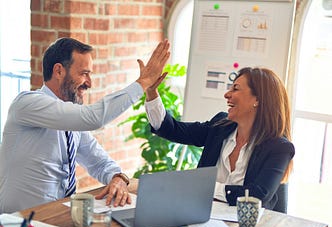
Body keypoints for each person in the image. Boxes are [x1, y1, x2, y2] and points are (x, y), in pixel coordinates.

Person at [0, 37, 170, 213]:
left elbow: (99, 161)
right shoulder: (27, 103)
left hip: (57, 218)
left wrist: (118, 177)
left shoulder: (70, 120)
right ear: (59, 71)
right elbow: (93, 118)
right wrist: (142, 83)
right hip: (18, 225)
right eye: (84, 74)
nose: (89, 83)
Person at [144, 67, 295, 212]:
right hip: (202, 217)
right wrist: (151, 92)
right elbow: (172, 129)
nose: (227, 94)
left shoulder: (279, 148)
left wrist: (204, 186)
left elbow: (257, 195)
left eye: (235, 89)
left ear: (258, 99)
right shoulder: (220, 126)